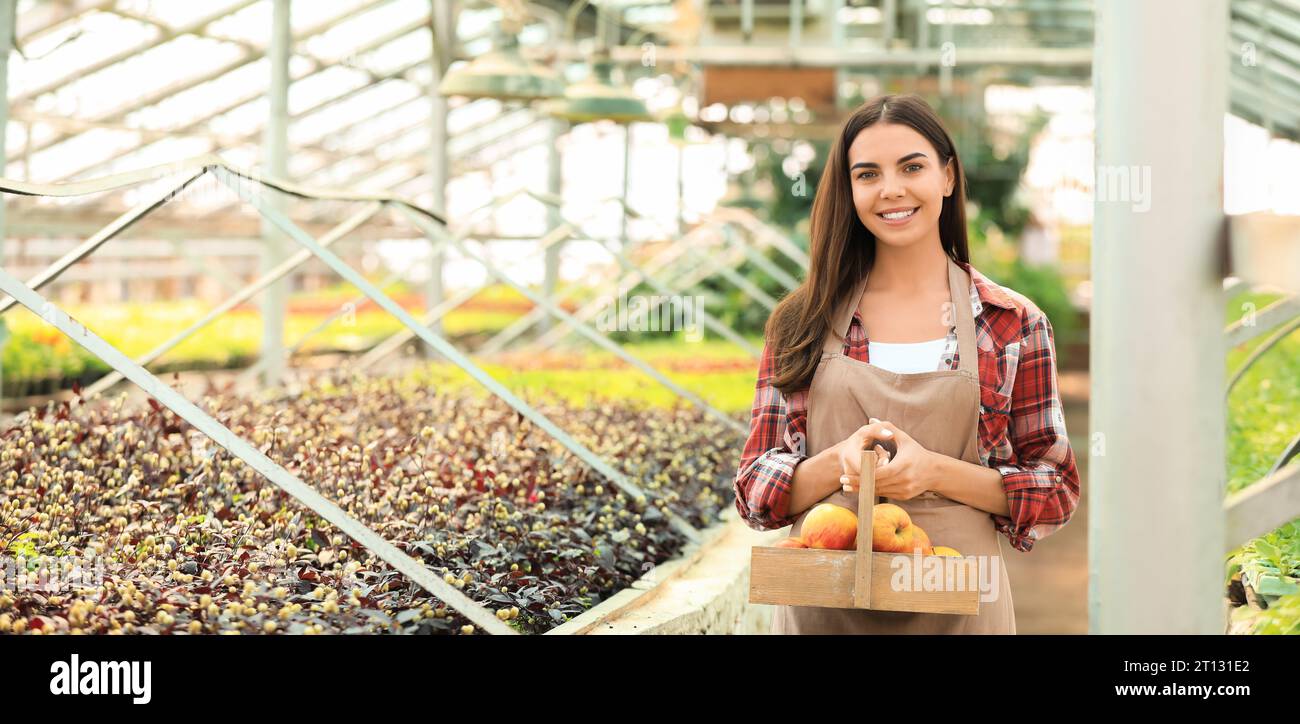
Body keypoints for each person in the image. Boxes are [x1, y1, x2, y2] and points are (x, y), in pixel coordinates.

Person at [734, 94, 1080, 634]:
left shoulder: (1011, 323)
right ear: (849, 191)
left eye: (912, 167)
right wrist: (838, 464)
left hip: (960, 608)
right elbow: (754, 491)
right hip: (825, 611)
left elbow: (1054, 489)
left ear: (947, 176)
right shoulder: (803, 321)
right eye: (868, 173)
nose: (891, 189)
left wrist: (935, 472)